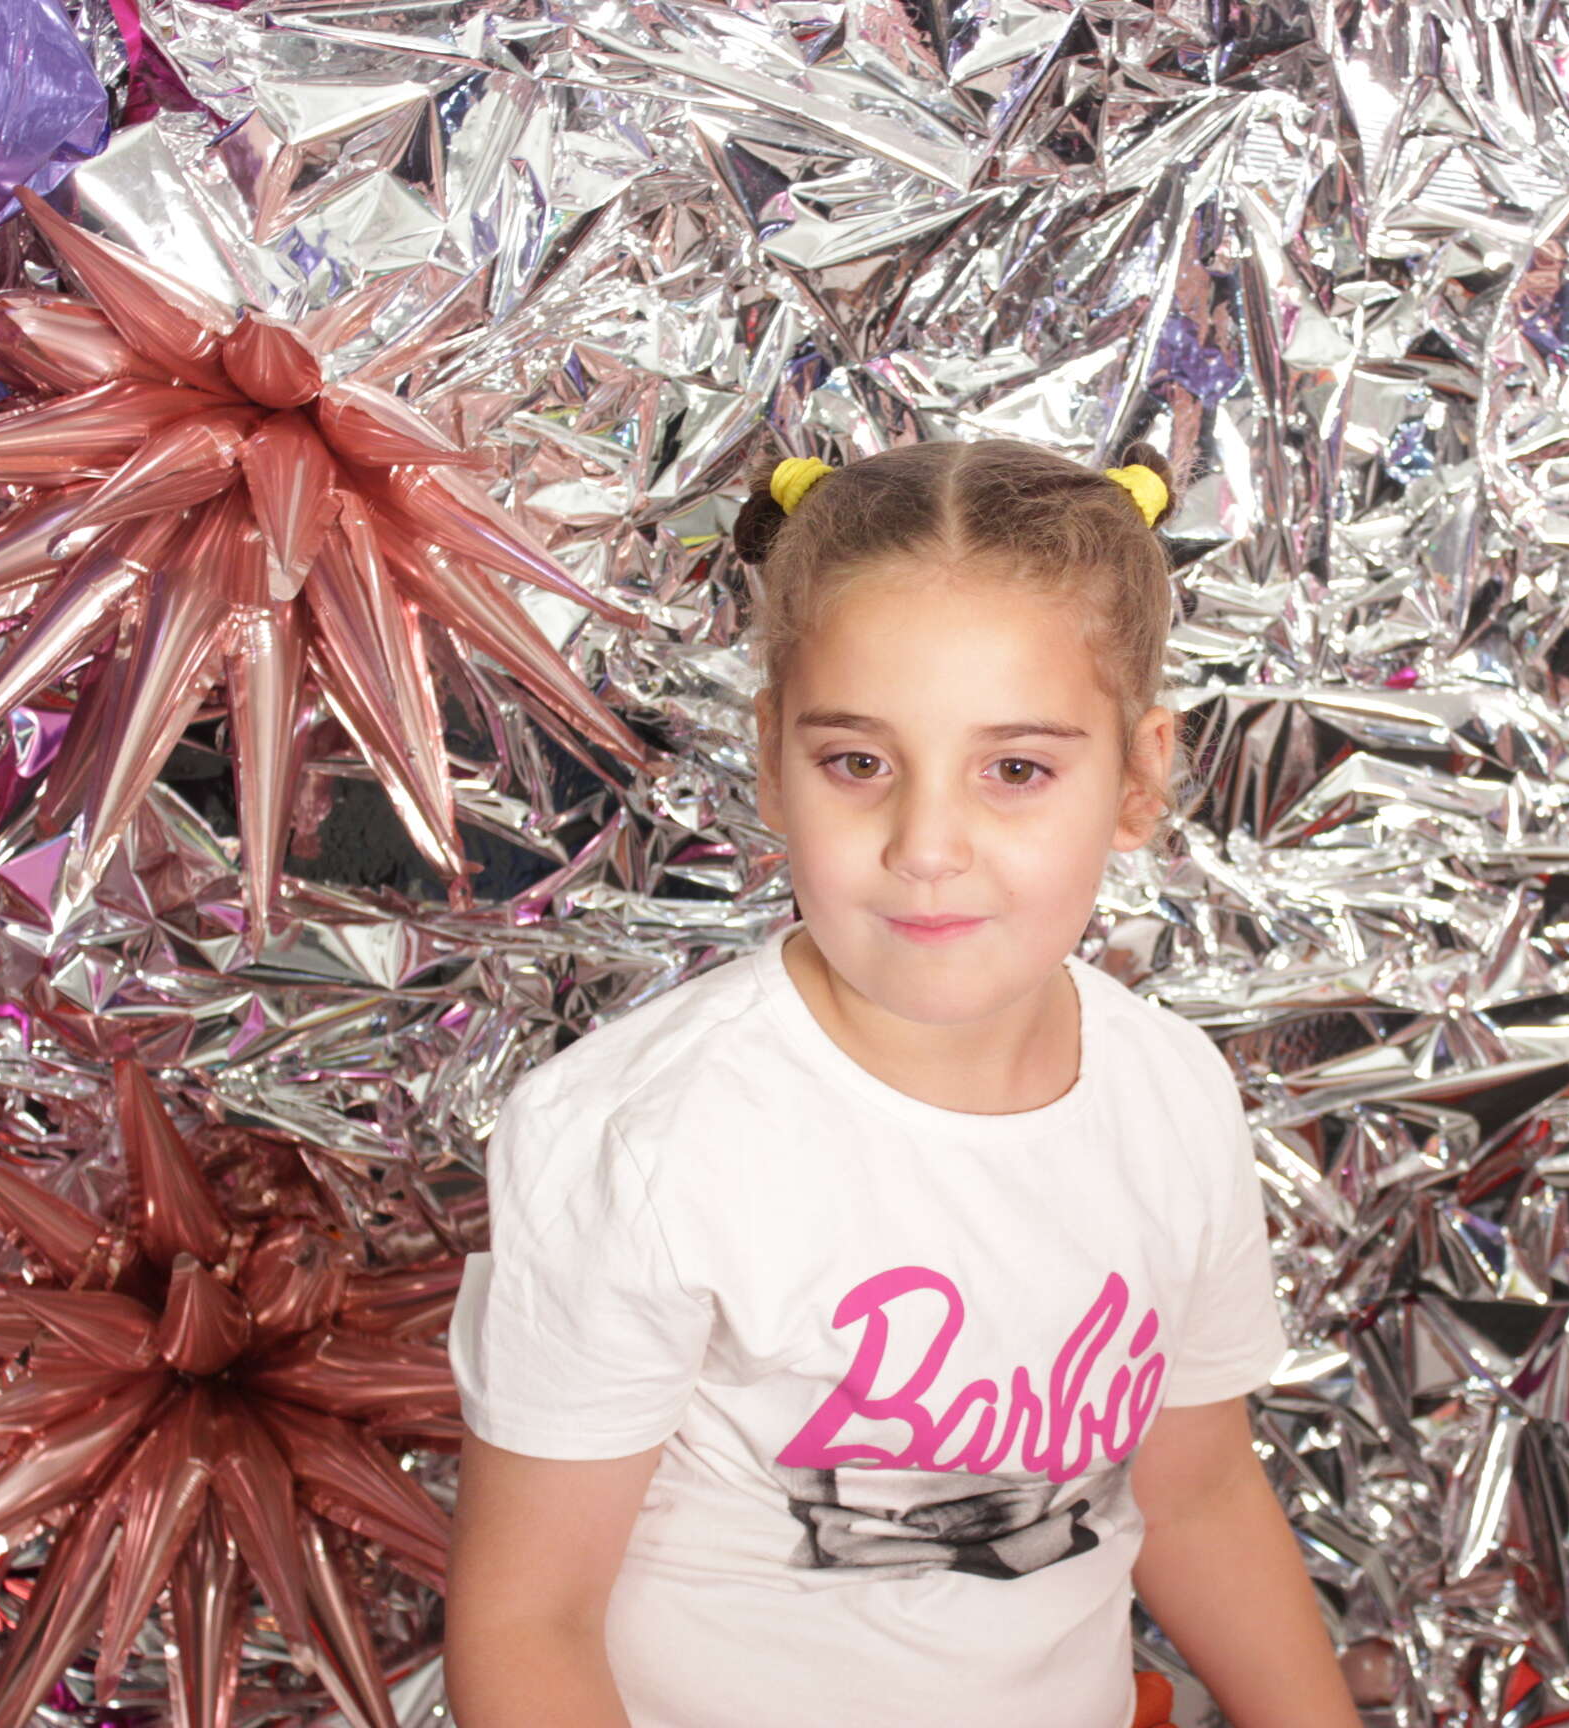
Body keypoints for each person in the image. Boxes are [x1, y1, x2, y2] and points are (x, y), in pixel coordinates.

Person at [442, 439, 1361, 1728]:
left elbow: (1196, 1494)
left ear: (1139, 775)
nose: (927, 847)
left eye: (1016, 770)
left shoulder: (1173, 1095)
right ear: (773, 757)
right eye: (859, 764)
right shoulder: (641, 1141)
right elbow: (526, 1622)